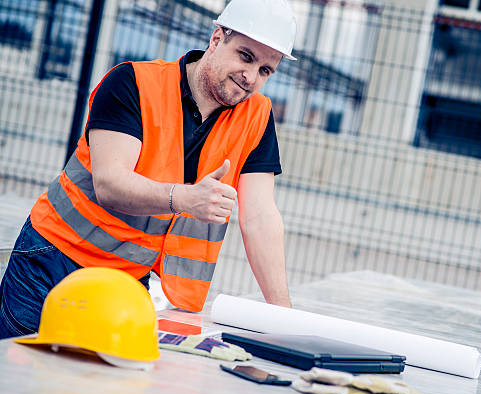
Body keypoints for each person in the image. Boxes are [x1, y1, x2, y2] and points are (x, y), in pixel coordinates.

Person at [0, 0, 297, 339]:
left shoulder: (256, 116)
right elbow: (110, 183)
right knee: (18, 376)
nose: (251, 77)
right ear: (216, 39)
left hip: (126, 279)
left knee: (98, 386)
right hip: (55, 260)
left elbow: (259, 217)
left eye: (265, 71)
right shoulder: (133, 83)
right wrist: (185, 198)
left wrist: (283, 320)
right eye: (246, 56)